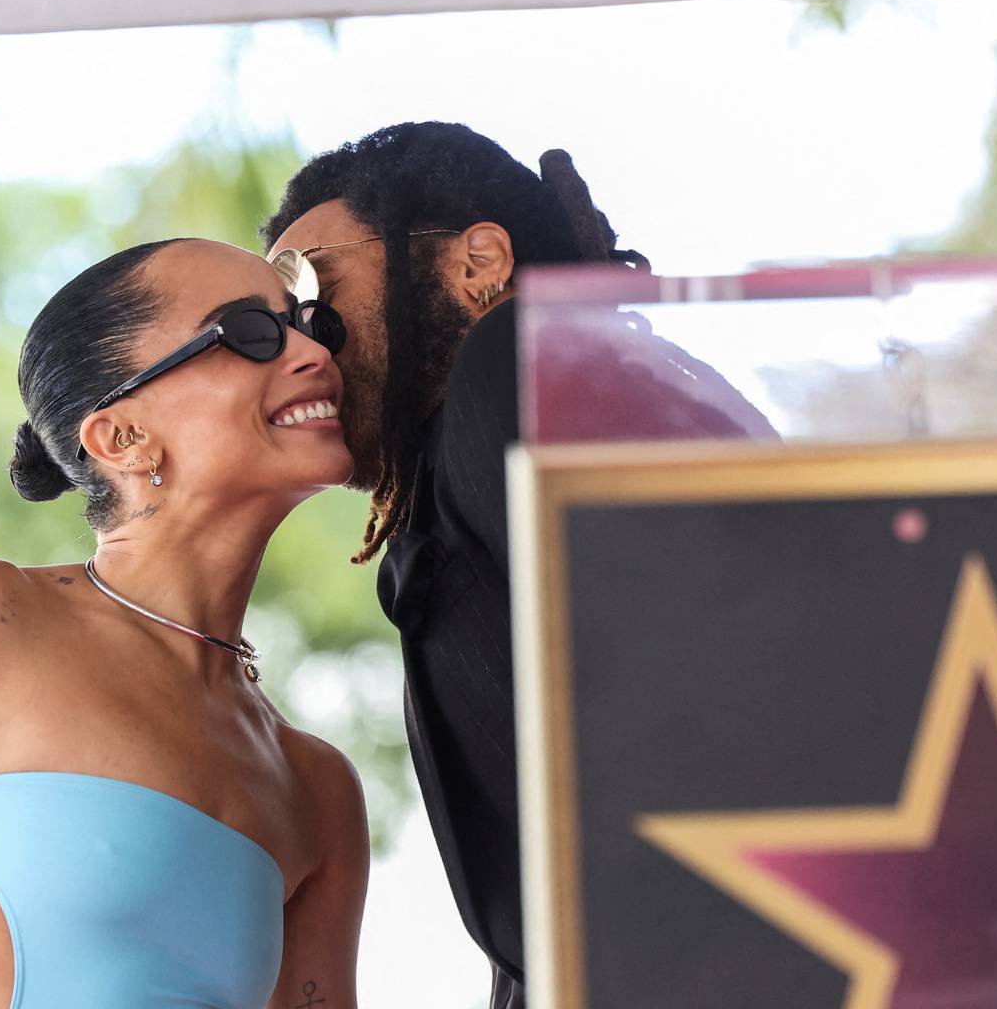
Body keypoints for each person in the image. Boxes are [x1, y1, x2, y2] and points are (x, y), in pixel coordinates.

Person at [0, 239, 370, 1008]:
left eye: (314, 327)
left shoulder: (317, 787)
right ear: (122, 437)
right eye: (251, 332)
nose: (314, 353)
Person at [262, 122, 774, 1008]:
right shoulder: (518, 408)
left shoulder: (519, 367)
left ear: (479, 263)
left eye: (311, 287)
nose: (301, 341)